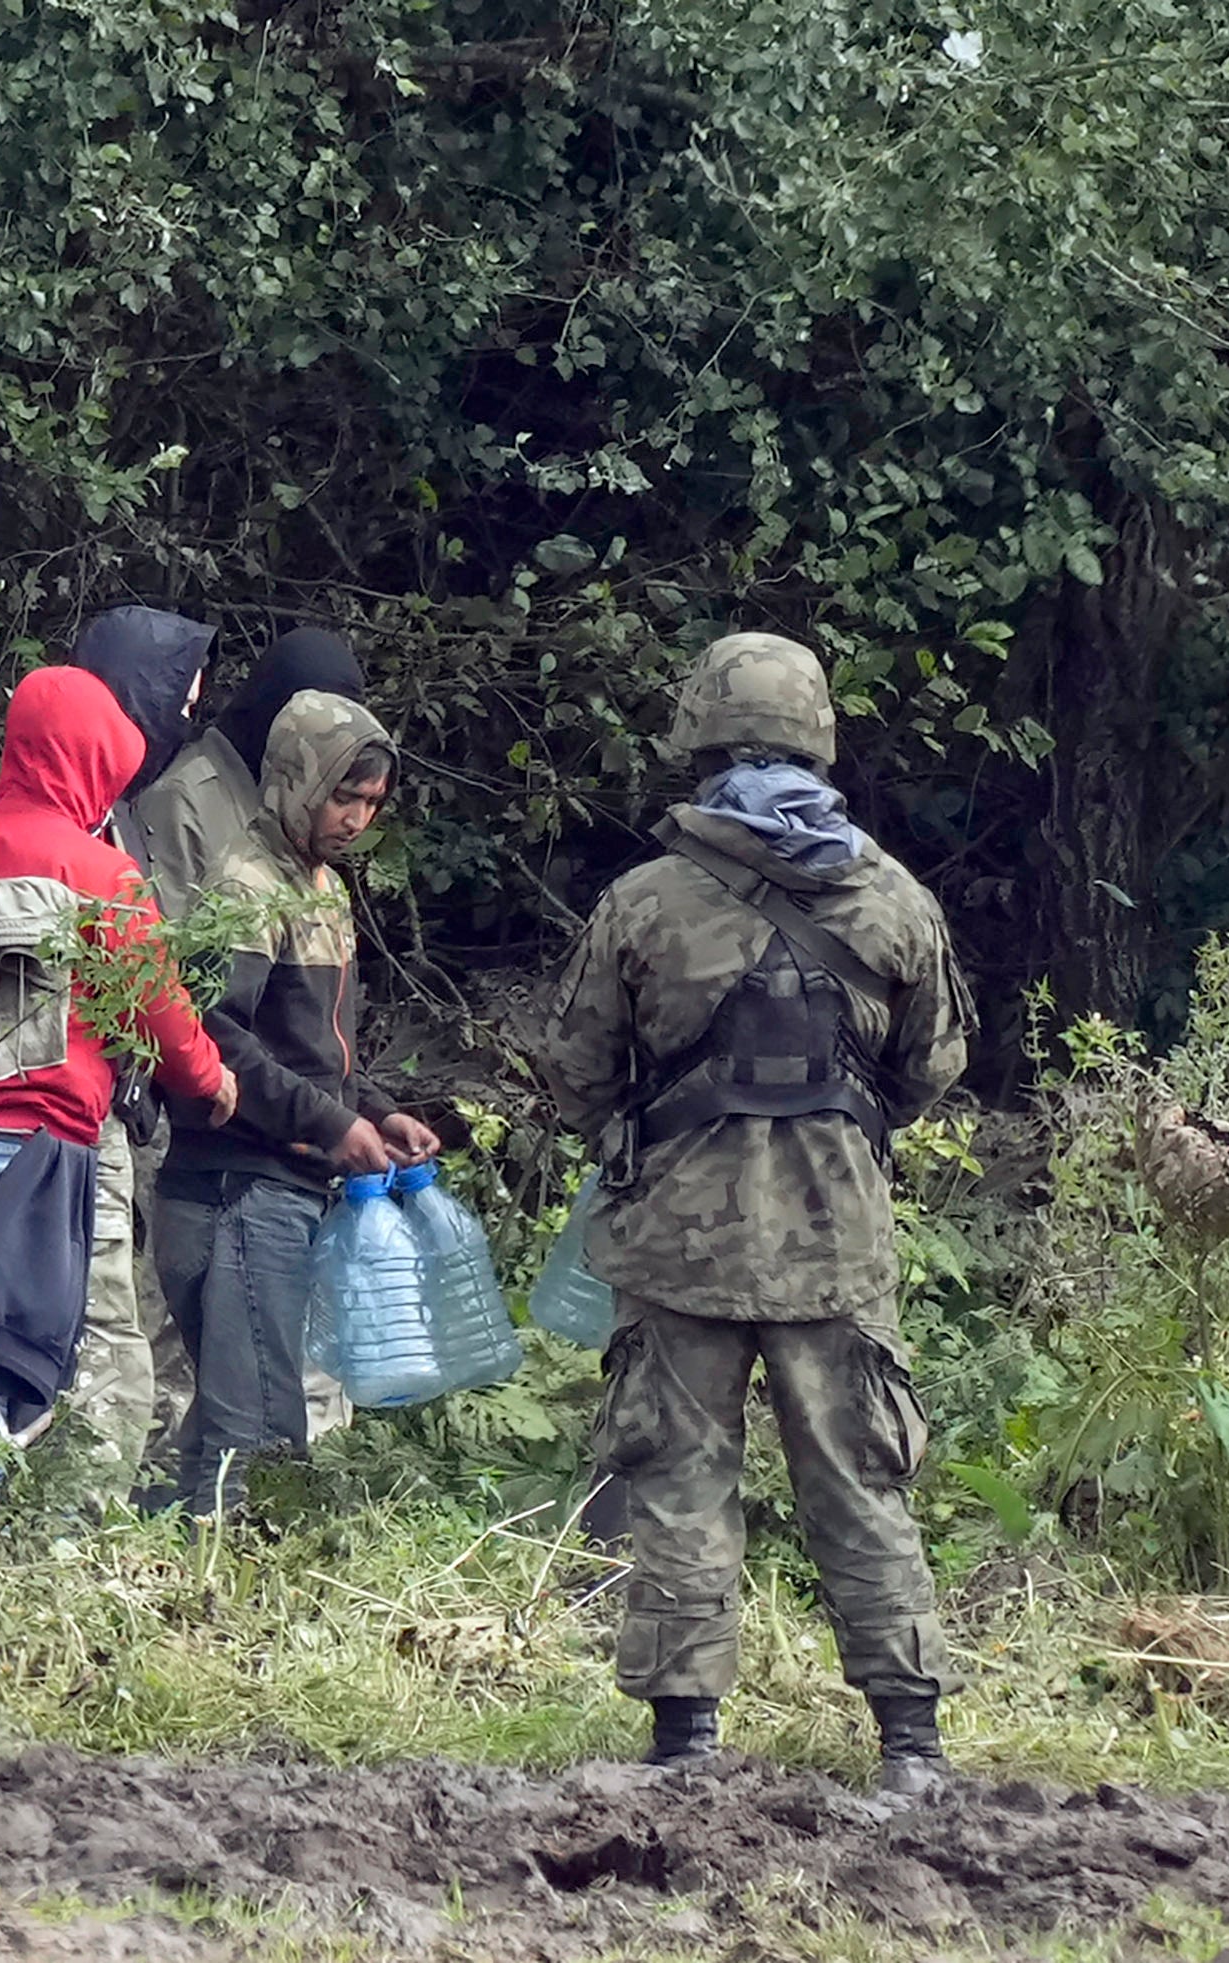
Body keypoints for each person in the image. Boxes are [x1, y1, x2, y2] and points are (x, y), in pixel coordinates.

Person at [536, 631, 975, 1797]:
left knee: (677, 1481)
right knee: (860, 1482)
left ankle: (685, 1746)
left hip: (680, 1242)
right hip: (836, 1243)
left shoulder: (643, 902)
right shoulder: (893, 901)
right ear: (821, 741)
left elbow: (575, 1069)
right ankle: (912, 1747)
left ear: (699, 739)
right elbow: (933, 1066)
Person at [0, 667, 236, 1496]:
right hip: (55, 1160)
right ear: (92, 761)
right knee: (92, 1346)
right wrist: (212, 1081)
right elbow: (158, 1015)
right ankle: (72, 1532)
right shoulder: (106, 879)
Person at [157, 688, 435, 1513]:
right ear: (295, 778)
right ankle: (234, 1605)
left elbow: (316, 1046)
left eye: (371, 803)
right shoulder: (244, 882)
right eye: (342, 795)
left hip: (289, 1181)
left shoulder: (320, 888)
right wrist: (331, 1122)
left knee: (237, 1426)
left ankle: (197, 1587)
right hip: (235, 1185)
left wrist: (376, 1110)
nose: (355, 818)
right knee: (258, 1437)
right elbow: (219, 1034)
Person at [134, 622, 365, 1452]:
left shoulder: (313, 861)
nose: (356, 815)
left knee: (250, 1376)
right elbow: (189, 982)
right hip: (205, 1103)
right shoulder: (191, 795)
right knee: (201, 1366)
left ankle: (201, 1512)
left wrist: (346, 1107)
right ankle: (180, 1511)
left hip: (277, 1116)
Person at [66, 606, 218, 1494]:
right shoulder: (91, 831)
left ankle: (145, 1488)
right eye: (181, 699)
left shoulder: (125, 813)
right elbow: (139, 982)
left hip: (135, 1106)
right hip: (93, 1113)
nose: (190, 719)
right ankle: (95, 1506)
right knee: (111, 1319)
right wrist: (200, 1069)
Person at [139, 626, 364, 915]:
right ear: (280, 711)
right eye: (321, 731)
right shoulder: (183, 797)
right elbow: (162, 944)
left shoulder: (288, 797)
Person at [71, 606, 217, 869]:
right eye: (180, 704)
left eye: (190, 709)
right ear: (138, 701)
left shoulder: (122, 812)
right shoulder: (73, 817)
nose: (185, 721)